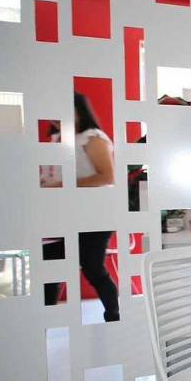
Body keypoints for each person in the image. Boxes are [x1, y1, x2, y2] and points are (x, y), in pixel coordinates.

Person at [74, 93, 119, 323]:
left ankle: (114, 314)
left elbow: (108, 176)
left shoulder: (92, 138)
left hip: (96, 212)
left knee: (92, 266)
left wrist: (68, 183)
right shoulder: (67, 138)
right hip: (75, 212)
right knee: (82, 265)